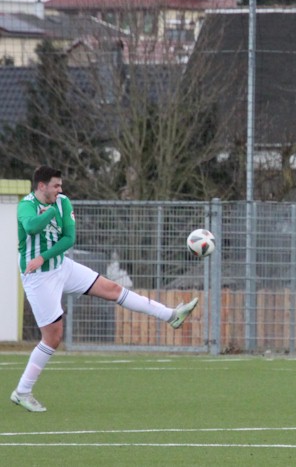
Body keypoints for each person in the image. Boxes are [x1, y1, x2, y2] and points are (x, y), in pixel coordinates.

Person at [10, 166, 199, 413]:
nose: (60, 190)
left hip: (60, 266)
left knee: (112, 288)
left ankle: (171, 315)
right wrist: (49, 218)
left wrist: (45, 255)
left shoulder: (62, 202)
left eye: (60, 186)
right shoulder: (26, 205)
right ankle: (22, 391)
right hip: (37, 277)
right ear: (41, 186)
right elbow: (32, 227)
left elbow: (69, 239)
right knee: (53, 338)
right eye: (56, 186)